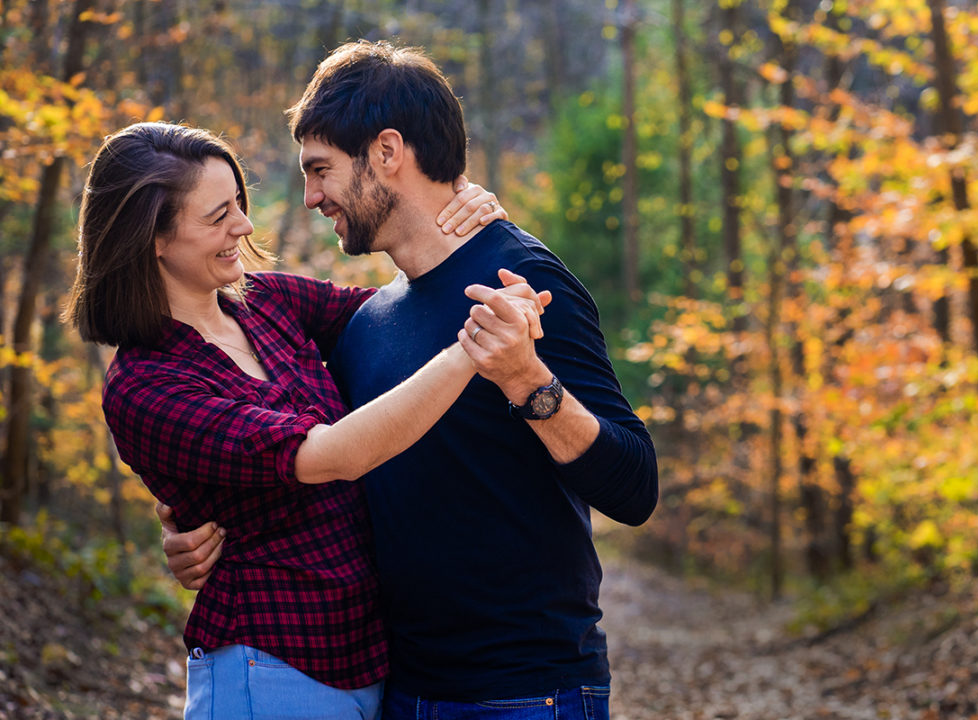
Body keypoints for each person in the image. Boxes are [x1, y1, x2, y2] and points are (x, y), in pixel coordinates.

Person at [164, 40, 659, 720]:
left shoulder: (522, 283)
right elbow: (292, 448)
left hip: (526, 693)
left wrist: (529, 383)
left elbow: (634, 487)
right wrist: (194, 521)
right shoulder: (367, 323)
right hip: (398, 691)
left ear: (388, 152)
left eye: (320, 170)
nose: (309, 197)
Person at [66, 121, 548, 720]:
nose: (243, 227)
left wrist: (459, 224)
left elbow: (398, 313)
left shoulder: (265, 301)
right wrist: (472, 349)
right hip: (268, 667)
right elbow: (334, 455)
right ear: (152, 239)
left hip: (368, 659)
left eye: (239, 205)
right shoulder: (146, 387)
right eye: (218, 217)